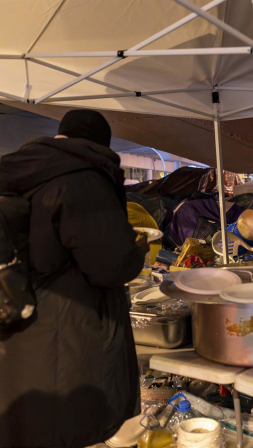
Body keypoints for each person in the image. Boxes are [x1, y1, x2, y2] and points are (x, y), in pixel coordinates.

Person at [0, 110, 148, 448]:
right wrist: (136, 248)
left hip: (18, 328)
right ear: (101, 145)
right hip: (68, 338)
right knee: (64, 429)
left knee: (29, 428)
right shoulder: (81, 179)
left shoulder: (19, 170)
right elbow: (112, 265)